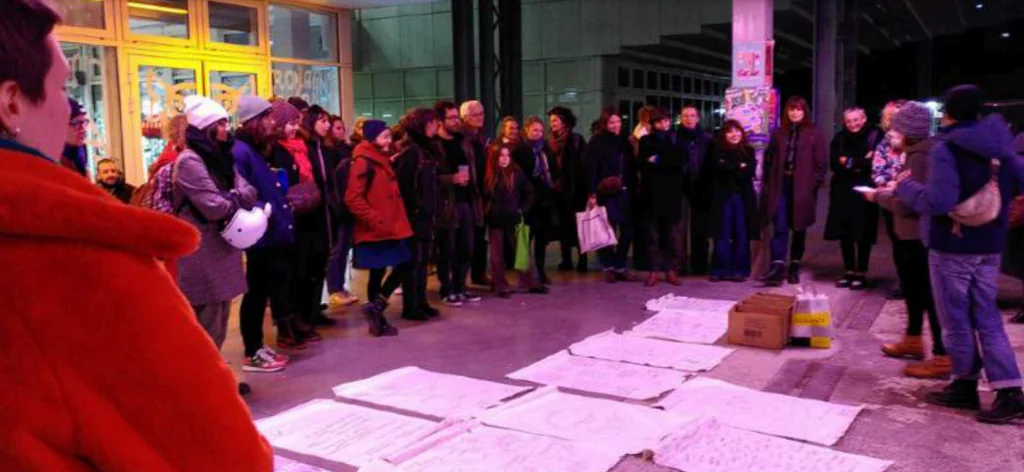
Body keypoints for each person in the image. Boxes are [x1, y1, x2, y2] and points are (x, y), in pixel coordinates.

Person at [0, 1, 273, 468]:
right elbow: (224, 454)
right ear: (11, 103)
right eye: (63, 86)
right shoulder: (81, 265)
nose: (70, 109)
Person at [896, 85, 1024, 424]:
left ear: (949, 113)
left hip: (952, 246)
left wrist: (906, 187)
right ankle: (1007, 389)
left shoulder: (947, 148)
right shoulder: (1002, 143)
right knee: (987, 317)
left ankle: (965, 386)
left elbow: (938, 202)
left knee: (956, 320)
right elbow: (1019, 181)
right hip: (990, 244)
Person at [863, 101, 948, 379]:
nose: (893, 132)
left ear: (909, 130)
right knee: (913, 290)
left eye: (898, 127)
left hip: (919, 236)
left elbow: (913, 203)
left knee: (929, 295)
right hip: (908, 235)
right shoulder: (915, 152)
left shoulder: (922, 156)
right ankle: (913, 338)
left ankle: (942, 355)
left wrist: (879, 196)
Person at [173, 95, 258, 350]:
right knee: (206, 323)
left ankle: (216, 378)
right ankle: (203, 382)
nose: (225, 129)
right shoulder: (190, 160)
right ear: (206, 128)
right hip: (202, 251)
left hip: (222, 245)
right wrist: (234, 197)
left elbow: (249, 192)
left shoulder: (222, 158)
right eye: (220, 124)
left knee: (220, 317)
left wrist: (231, 196)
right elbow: (213, 207)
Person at [233, 95, 297, 371]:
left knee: (263, 289)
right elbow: (243, 192)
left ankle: (257, 346)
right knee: (256, 291)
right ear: (254, 121)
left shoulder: (256, 150)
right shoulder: (241, 151)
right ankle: (252, 350)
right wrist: (264, 211)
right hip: (260, 232)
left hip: (269, 230)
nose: (274, 123)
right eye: (268, 118)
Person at [346, 120, 413, 336]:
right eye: (384, 136)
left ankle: (377, 310)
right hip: (377, 226)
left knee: (398, 265)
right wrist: (374, 218)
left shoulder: (379, 159)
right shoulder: (363, 161)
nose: (388, 140)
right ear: (372, 138)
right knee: (384, 269)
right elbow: (352, 197)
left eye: (389, 136)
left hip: (388, 225)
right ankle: (377, 315)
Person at [760, 96, 828, 286]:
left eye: (798, 109)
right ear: (787, 111)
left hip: (802, 187)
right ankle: (777, 266)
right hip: (781, 185)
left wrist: (813, 184)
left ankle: (795, 266)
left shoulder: (814, 132)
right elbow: (769, 159)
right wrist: (767, 182)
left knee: (799, 227)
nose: (795, 112)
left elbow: (821, 163)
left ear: (804, 111)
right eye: (791, 109)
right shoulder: (778, 133)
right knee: (780, 226)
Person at [824, 108, 882, 289]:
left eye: (856, 120)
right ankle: (848, 270)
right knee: (845, 231)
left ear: (864, 118)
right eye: (849, 121)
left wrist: (848, 162)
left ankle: (861, 272)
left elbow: (872, 164)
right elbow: (834, 163)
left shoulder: (875, 135)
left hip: (865, 189)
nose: (852, 124)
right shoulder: (839, 138)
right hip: (842, 190)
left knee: (863, 231)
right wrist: (859, 162)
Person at [435, 100, 484, 306]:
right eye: (451, 118)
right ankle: (446, 289)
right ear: (440, 120)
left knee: (467, 246)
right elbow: (430, 177)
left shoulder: (463, 140)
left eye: (457, 117)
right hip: (446, 203)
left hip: (467, 199)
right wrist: (450, 179)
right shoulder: (434, 145)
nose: (456, 121)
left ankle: (460, 286)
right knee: (447, 249)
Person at [394, 107, 442, 320]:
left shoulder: (425, 149)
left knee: (423, 261)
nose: (435, 126)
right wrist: (416, 208)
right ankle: (411, 305)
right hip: (414, 215)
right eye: (432, 122)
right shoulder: (412, 151)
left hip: (425, 214)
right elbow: (405, 185)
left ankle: (420, 301)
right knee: (413, 261)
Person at [585, 107, 638, 283]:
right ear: (604, 123)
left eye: (618, 122)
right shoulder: (596, 141)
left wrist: (633, 188)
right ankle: (608, 266)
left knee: (628, 230)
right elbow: (590, 169)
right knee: (607, 231)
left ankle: (620, 264)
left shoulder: (624, 141)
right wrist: (591, 193)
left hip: (624, 192)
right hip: (605, 192)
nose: (616, 125)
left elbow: (631, 167)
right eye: (611, 122)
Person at [485, 144, 544, 298]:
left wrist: (522, 210)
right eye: (501, 156)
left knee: (521, 251)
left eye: (507, 155)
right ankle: (500, 285)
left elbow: (529, 192)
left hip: (514, 217)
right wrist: (488, 211)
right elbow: (483, 195)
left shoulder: (516, 173)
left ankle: (529, 282)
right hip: (495, 218)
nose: (504, 159)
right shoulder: (490, 175)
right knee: (497, 255)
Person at [637, 108, 685, 286]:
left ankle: (671, 270)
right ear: (653, 124)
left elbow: (679, 162)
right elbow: (642, 163)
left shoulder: (676, 139)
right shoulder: (645, 140)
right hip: (651, 194)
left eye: (666, 121)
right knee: (653, 236)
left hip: (672, 193)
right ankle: (654, 270)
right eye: (659, 122)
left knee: (671, 236)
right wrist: (661, 161)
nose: (663, 125)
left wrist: (657, 160)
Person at [708, 120, 757, 282]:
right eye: (730, 132)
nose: (734, 135)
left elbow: (748, 173)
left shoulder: (748, 151)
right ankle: (719, 269)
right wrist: (738, 166)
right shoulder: (717, 150)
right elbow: (718, 169)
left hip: (742, 198)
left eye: (737, 131)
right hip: (723, 197)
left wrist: (731, 166)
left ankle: (741, 269)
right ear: (724, 135)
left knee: (741, 234)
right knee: (722, 233)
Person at [873, 100, 909, 300]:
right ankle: (903, 281)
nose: (896, 119)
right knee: (896, 241)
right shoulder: (885, 142)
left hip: (911, 198)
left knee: (911, 242)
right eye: (892, 115)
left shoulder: (917, 140)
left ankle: (916, 281)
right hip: (891, 197)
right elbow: (878, 166)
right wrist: (883, 182)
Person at [547, 106, 589, 273]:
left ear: (565, 122)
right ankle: (566, 260)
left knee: (579, 228)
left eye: (556, 120)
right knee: (563, 227)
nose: (553, 124)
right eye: (551, 121)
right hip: (558, 192)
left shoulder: (577, 140)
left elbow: (584, 166)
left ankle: (583, 260)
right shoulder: (549, 141)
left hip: (576, 190)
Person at [516, 116, 556, 285]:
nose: (538, 133)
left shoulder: (545, 149)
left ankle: (541, 270)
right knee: (525, 240)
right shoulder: (520, 150)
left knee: (541, 240)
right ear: (526, 130)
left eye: (540, 130)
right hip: (527, 200)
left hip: (544, 200)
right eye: (534, 130)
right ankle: (525, 275)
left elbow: (554, 170)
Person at [326, 114, 359, 307]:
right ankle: (334, 288)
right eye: (337, 128)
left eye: (342, 127)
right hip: (338, 207)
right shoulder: (330, 153)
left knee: (345, 248)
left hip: (348, 205)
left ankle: (340, 286)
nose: (341, 131)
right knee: (337, 249)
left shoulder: (347, 150)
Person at [678, 105, 713, 275]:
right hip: (680, 187)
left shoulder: (707, 139)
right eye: (685, 116)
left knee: (700, 228)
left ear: (698, 118)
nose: (689, 119)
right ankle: (680, 265)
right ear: (680, 118)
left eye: (692, 115)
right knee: (680, 228)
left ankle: (699, 264)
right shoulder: (674, 137)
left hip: (701, 187)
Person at [461, 100, 492, 287]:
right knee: (467, 238)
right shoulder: (463, 138)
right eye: (475, 115)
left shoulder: (481, 137)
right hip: (468, 192)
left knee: (480, 236)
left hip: (482, 192)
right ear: (465, 118)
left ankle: (478, 273)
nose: (480, 117)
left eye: (481, 113)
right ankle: (462, 278)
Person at [62, 97, 89, 177]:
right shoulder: (47, 160)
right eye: (75, 123)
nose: (82, 129)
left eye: (83, 122)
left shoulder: (79, 153)